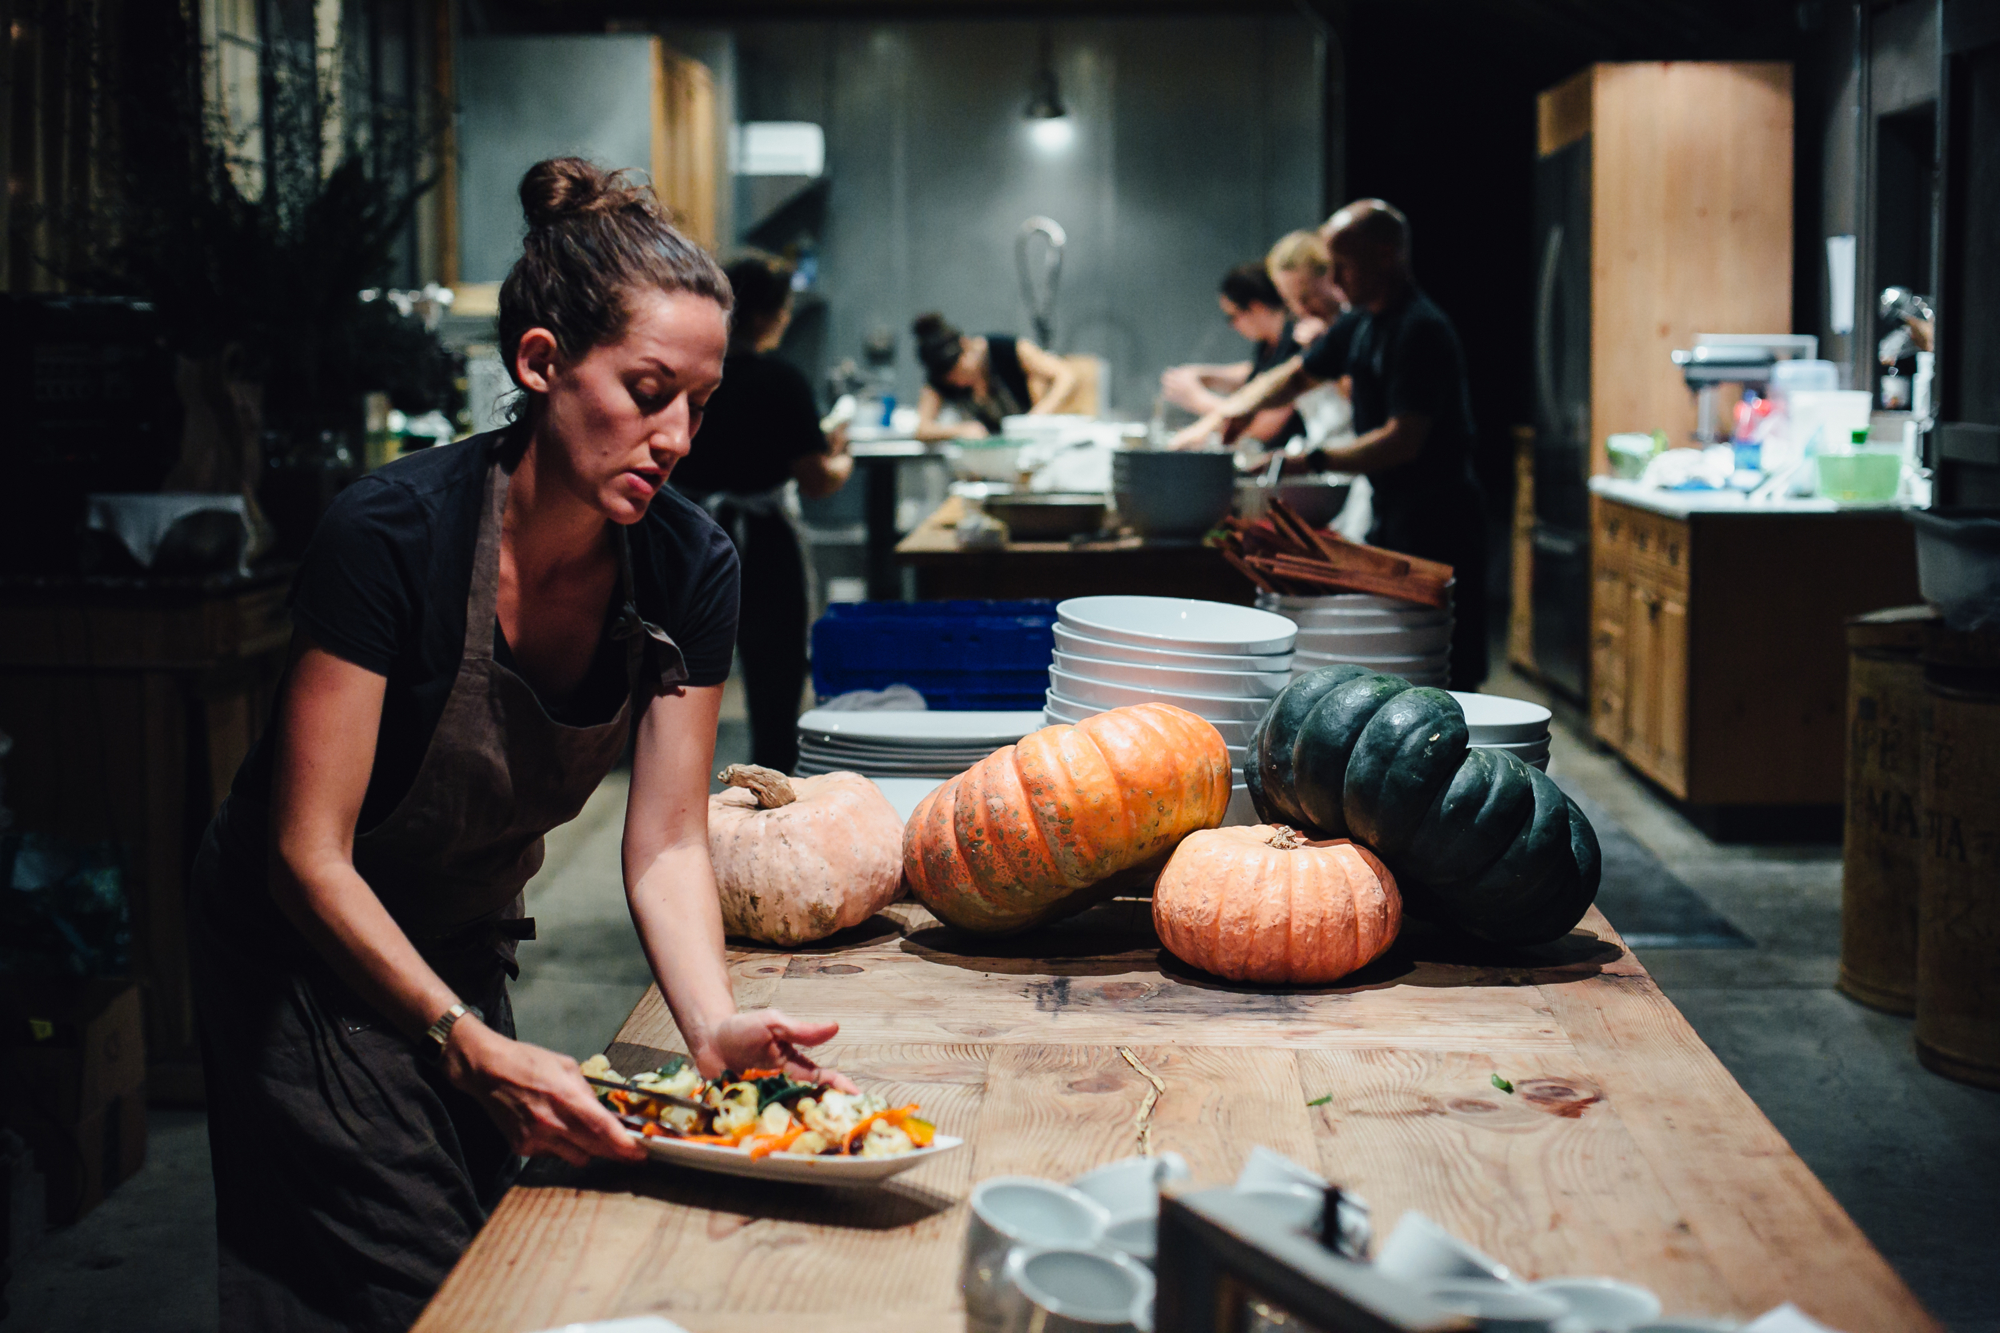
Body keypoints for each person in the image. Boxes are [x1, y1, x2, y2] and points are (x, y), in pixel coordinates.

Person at [187, 159, 856, 1333]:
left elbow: (661, 843)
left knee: (498, 1242)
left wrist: (709, 1024)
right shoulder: (390, 536)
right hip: (298, 948)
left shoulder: (689, 566)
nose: (677, 436)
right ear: (540, 363)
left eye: (697, 404)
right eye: (647, 391)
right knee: (400, 1274)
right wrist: (462, 1038)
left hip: (459, 934)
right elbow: (306, 850)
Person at [1174, 200, 1488, 689]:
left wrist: (1308, 461)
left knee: (1440, 671)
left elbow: (1402, 441)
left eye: (1344, 264)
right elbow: (1295, 376)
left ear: (1386, 255)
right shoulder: (1361, 323)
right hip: (1393, 512)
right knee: (1398, 663)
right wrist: (1233, 411)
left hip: (1440, 519)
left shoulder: (1420, 329)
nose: (1336, 279)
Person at [673, 251, 851, 774]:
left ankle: (675, 790)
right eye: (784, 307)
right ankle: (769, 795)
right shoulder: (781, 380)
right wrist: (842, 457)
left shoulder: (694, 375)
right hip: (765, 542)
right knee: (775, 683)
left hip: (688, 539)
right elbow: (817, 480)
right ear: (765, 314)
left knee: (678, 681)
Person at [1158, 262, 1306, 448]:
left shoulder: (1297, 343)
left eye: (1232, 316)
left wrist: (1197, 399)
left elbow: (1263, 427)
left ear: (1256, 307)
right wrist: (1205, 375)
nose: (1232, 325)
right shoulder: (1270, 344)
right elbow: (1256, 375)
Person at [910, 312, 1079, 439]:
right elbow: (922, 429)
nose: (960, 383)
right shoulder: (941, 377)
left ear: (966, 345)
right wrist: (961, 429)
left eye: (961, 373)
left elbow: (1065, 376)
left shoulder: (1005, 349)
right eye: (953, 380)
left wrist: (1037, 416)